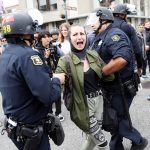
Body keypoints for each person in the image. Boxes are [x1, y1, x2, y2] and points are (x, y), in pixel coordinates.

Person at [0, 11, 65, 150]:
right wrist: (57, 80)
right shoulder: (28, 55)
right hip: (31, 130)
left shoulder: (4, 55)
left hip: (16, 126)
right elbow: (48, 95)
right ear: (25, 33)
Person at [85, 7, 148, 150]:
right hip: (110, 88)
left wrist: (100, 72)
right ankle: (116, 145)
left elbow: (122, 59)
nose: (91, 24)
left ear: (103, 20)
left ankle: (139, 141)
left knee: (118, 120)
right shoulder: (98, 36)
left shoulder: (114, 34)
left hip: (121, 87)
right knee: (114, 118)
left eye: (94, 20)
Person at [55, 25, 114, 150]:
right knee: (102, 143)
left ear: (86, 36)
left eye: (82, 33)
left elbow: (107, 75)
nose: (79, 37)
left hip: (99, 101)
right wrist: (54, 80)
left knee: (92, 139)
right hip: (82, 105)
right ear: (69, 38)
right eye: (75, 35)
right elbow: (58, 78)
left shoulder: (93, 54)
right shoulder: (64, 60)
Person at [35, 30, 64, 121]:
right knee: (48, 94)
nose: (47, 39)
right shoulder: (37, 50)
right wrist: (46, 58)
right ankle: (50, 113)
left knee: (58, 93)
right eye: (45, 37)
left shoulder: (54, 47)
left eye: (49, 36)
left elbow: (62, 57)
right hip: (45, 75)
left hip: (55, 72)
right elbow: (39, 65)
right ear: (40, 39)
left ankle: (58, 113)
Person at [112, 3, 143, 76]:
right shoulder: (128, 27)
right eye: (126, 15)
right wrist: (139, 66)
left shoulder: (107, 26)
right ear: (123, 15)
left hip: (110, 67)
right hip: (126, 67)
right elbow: (137, 50)